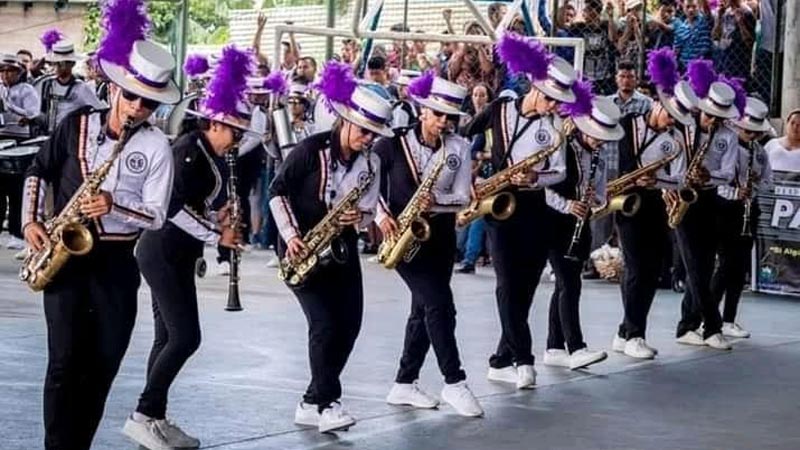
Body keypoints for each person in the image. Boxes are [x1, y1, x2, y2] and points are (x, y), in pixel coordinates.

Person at [21, 31, 180, 449]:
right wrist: (30, 221)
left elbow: (157, 214)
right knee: (63, 364)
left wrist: (114, 204)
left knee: (103, 364)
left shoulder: (157, 146)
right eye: (132, 96)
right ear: (114, 89)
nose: (138, 108)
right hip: (65, 259)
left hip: (115, 263)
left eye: (149, 103)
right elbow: (39, 169)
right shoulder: (77, 124)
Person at [121, 46, 253, 450]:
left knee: (167, 337)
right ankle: (143, 414)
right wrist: (217, 235)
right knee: (185, 337)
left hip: (177, 253)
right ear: (214, 123)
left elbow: (197, 205)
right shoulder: (188, 151)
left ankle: (154, 417)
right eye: (234, 132)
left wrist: (221, 216)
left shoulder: (210, 154)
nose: (237, 141)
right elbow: (173, 207)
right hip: (161, 250)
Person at [268, 61, 393, 433]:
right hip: (302, 247)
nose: (368, 139)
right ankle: (328, 404)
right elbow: (276, 192)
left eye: (374, 134)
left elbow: (368, 211)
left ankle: (311, 400)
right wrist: (292, 236)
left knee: (349, 325)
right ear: (346, 120)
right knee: (323, 324)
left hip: (342, 247)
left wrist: (360, 217)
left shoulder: (371, 163)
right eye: (364, 131)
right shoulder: (309, 150)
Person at [465, 34, 575, 389]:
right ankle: (524, 358)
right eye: (550, 99)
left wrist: (536, 176)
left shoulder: (554, 127)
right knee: (506, 285)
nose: (553, 107)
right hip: (499, 203)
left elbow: (560, 171)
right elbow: (465, 135)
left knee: (525, 287)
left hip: (534, 204)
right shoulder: (501, 108)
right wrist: (468, 175)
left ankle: (501, 360)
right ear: (536, 88)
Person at [375, 74, 483, 417]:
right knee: (440, 305)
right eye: (437, 115)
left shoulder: (459, 147)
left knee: (422, 309)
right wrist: (381, 216)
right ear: (422, 110)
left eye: (449, 117)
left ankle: (404, 382)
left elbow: (463, 196)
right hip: (402, 235)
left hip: (440, 234)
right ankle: (454, 381)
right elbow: (369, 185)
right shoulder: (390, 144)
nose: (443, 123)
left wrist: (436, 201)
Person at [610, 48, 698, 359]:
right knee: (637, 269)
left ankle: (625, 330)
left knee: (649, 271)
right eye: (669, 116)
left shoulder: (674, 139)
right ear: (659, 104)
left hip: (655, 203)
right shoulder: (627, 123)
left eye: (676, 120)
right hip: (627, 201)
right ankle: (634, 333)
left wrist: (658, 182)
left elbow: (681, 177)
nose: (670, 123)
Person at [542, 94, 624, 370]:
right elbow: (542, 187)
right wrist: (568, 205)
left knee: (565, 284)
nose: (600, 142)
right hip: (554, 222)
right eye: (597, 136)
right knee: (570, 284)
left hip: (579, 225)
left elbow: (600, 195)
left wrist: (594, 199)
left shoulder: (597, 156)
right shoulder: (561, 147)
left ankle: (554, 347)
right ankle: (576, 347)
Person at [672, 71, 741, 351]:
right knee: (694, 266)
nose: (713, 121)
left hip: (710, 199)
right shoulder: (684, 128)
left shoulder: (728, 136)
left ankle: (687, 324)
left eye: (719, 117)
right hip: (683, 199)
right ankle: (712, 326)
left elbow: (729, 173)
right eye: (710, 115)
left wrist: (708, 176)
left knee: (703, 265)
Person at [710, 97, 773, 339]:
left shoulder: (760, 152)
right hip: (725, 207)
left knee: (739, 267)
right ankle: (710, 317)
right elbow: (716, 179)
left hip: (748, 209)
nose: (752, 135)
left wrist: (755, 184)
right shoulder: (727, 146)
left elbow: (768, 182)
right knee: (725, 265)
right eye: (748, 130)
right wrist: (736, 191)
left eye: (756, 132)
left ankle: (729, 318)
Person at [0, 54, 40, 251]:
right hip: (1, 137)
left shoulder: (26, 90)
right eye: (2, 71)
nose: (5, 75)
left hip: (19, 139)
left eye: (10, 71)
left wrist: (10, 107)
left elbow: (33, 113)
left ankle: (17, 232)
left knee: (16, 188)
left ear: (18, 72)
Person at [35, 39, 101, 135]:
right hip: (50, 136)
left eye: (61, 63)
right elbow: (42, 111)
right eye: (55, 63)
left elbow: (98, 109)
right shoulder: (47, 84)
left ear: (71, 64)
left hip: (70, 136)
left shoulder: (81, 88)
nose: (57, 67)